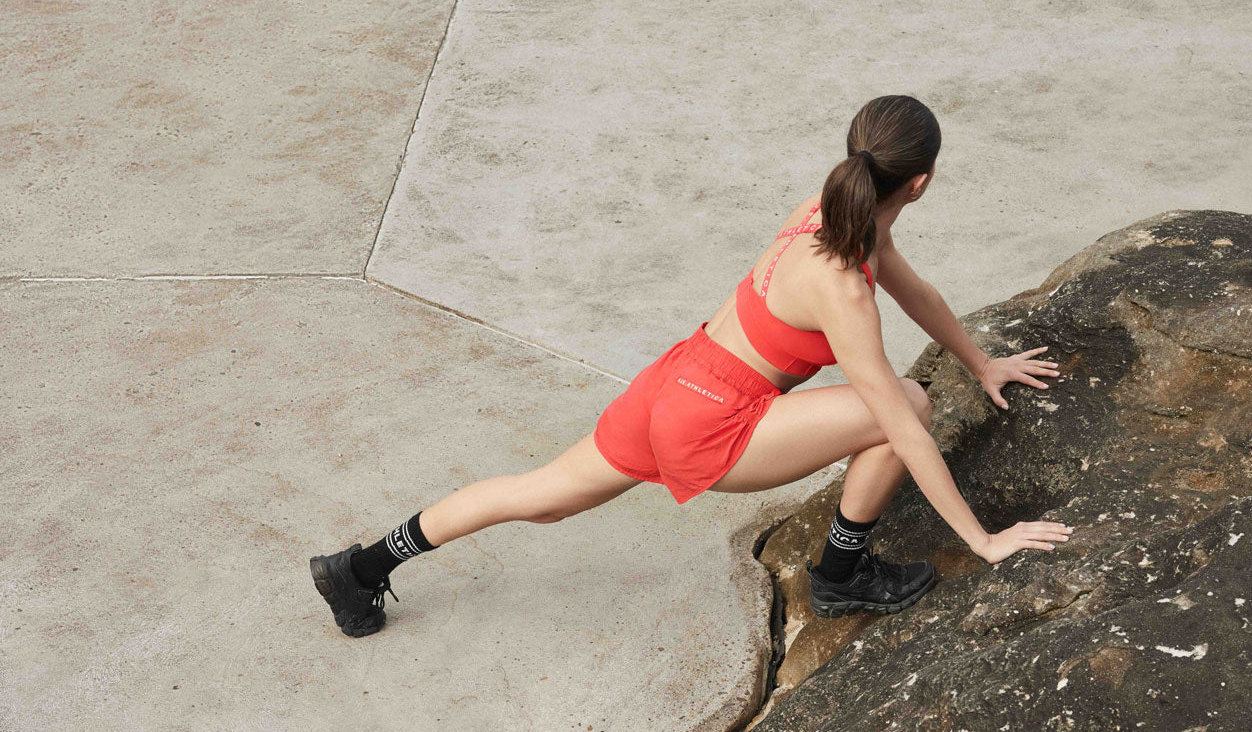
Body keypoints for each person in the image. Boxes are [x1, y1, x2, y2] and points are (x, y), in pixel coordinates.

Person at [310, 94, 1072, 637]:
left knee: (539, 496)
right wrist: (983, 541)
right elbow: (900, 427)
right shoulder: (841, 287)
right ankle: (842, 576)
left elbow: (915, 290)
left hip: (672, 384)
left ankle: (362, 566)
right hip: (718, 422)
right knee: (907, 402)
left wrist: (981, 361)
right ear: (920, 183)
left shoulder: (828, 211)